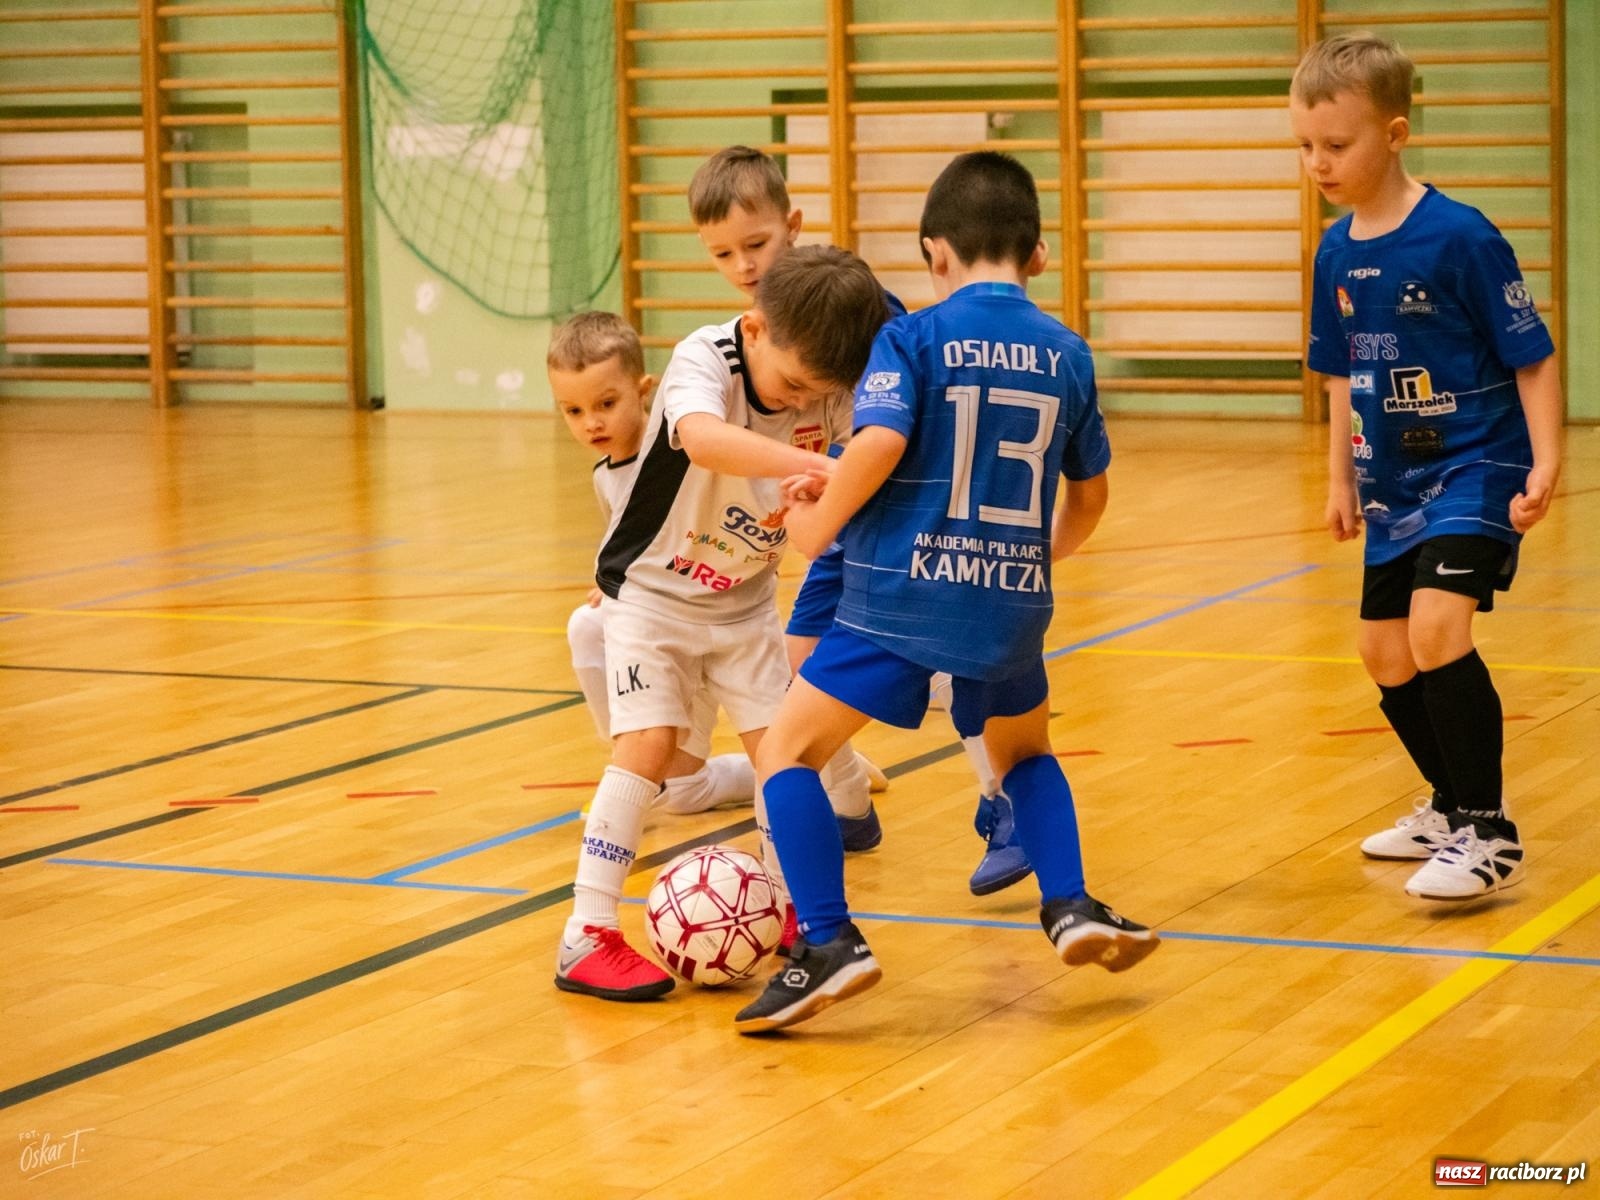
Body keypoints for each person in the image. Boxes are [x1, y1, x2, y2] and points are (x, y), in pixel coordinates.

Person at [734, 152, 1160, 1034]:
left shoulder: (913, 338)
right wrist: (1036, 558)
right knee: (1025, 758)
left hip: (898, 595)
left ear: (935, 253)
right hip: (1011, 599)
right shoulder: (1070, 353)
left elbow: (882, 443)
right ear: (1038, 255)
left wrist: (815, 528)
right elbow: (1091, 497)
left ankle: (826, 942)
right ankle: (1072, 904)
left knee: (786, 754)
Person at [554, 245, 890, 1001]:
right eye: (794, 384)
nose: (807, 401)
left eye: (821, 392)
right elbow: (701, 438)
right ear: (757, 328)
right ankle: (587, 933)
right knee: (648, 746)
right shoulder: (706, 356)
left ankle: (796, 914)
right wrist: (830, 472)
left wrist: (835, 498)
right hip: (650, 593)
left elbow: (829, 499)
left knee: (785, 755)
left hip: (743, 603)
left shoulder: (830, 394)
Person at [690, 144, 1025, 893]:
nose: (744, 265)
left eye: (758, 244)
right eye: (725, 254)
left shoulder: (862, 312)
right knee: (800, 664)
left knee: (941, 662)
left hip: (884, 517)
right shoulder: (765, 324)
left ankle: (1001, 799)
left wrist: (835, 489)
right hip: (838, 520)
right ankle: (846, 804)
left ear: (794, 224)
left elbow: (899, 428)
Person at [1292, 33, 1561, 900]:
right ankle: (1448, 805)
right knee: (1383, 652)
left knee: (1437, 630)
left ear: (1395, 133)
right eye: (1305, 146)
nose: (1318, 163)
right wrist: (1340, 478)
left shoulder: (1460, 237)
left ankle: (1489, 830)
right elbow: (1340, 376)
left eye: (1337, 145)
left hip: (1475, 467)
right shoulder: (1334, 252)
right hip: (1390, 486)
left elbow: (1532, 356)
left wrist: (1545, 462)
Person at [548, 311, 756, 816]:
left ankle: (813, 762)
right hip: (658, 628)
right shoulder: (604, 475)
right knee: (683, 795)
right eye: (572, 411)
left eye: (606, 403)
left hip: (714, 615)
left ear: (644, 390)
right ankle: (630, 755)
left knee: (590, 625)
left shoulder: (681, 444)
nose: (591, 422)